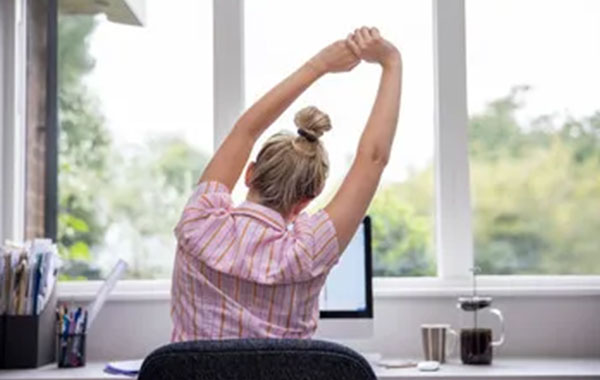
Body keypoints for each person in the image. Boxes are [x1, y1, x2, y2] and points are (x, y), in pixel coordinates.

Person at [171, 27, 402, 341]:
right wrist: (391, 61)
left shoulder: (200, 222)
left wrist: (318, 66)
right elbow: (373, 160)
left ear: (249, 173)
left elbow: (245, 132)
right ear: (307, 199)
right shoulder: (307, 251)